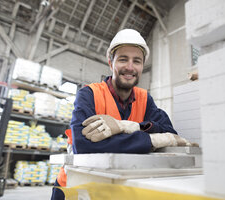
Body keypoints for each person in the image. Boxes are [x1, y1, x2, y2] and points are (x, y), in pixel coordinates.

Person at [51, 29, 193, 199]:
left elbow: (170, 133)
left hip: (116, 188)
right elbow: (84, 146)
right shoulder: (89, 94)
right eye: (123, 59)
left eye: (137, 61)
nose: (130, 67)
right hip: (74, 187)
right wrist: (151, 140)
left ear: (142, 67)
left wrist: (131, 127)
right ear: (111, 63)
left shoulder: (145, 99)